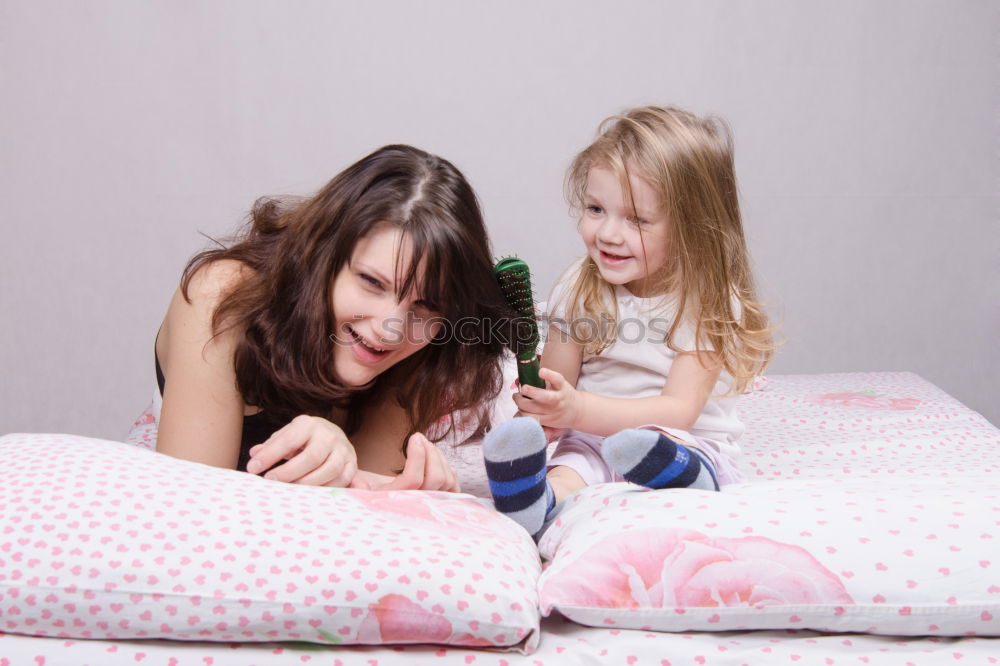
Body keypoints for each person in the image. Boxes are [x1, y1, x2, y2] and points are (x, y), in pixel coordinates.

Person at [484, 106, 776, 537]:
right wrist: (544, 410)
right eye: (596, 208)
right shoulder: (578, 287)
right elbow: (557, 382)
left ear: (693, 228)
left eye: (637, 219)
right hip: (590, 437)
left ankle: (684, 477)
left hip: (683, 438)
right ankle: (533, 501)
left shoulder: (705, 300)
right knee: (571, 468)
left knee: (674, 448)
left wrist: (578, 409)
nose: (608, 234)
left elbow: (680, 409)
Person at [153, 144, 511, 491]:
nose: (391, 330)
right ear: (323, 258)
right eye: (372, 282)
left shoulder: (421, 356)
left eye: (427, 306)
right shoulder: (222, 296)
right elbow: (191, 509)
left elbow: (352, 516)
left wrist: (409, 497)